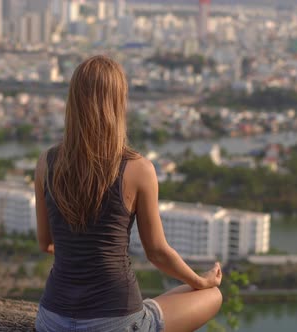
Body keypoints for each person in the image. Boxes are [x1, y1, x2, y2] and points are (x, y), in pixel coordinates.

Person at [34, 55, 223, 332]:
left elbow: (45, 243)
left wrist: (77, 248)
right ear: (118, 103)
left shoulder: (46, 163)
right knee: (211, 296)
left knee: (151, 307)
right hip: (115, 320)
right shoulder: (138, 169)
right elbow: (157, 252)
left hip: (52, 320)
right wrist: (201, 281)